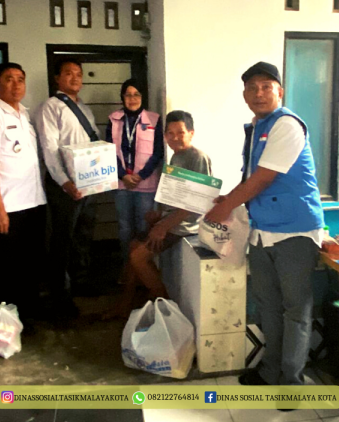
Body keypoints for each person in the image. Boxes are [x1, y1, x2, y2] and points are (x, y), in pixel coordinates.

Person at [206, 62, 324, 389]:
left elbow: (262, 178)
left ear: (280, 92)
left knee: (295, 310)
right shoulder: (257, 128)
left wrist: (226, 205)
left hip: (295, 232)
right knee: (267, 307)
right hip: (262, 231)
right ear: (244, 94)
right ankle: (270, 370)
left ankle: (292, 381)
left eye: (266, 87)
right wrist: (226, 201)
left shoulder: (286, 125)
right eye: (252, 87)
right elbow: (250, 179)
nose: (259, 93)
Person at [105, 110, 211, 319]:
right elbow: (176, 197)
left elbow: (197, 203)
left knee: (138, 256)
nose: (174, 138)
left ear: (191, 133)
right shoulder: (176, 157)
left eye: (180, 133)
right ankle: (125, 305)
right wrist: (158, 215)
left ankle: (166, 309)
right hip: (170, 221)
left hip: (184, 225)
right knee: (134, 247)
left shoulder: (197, 157)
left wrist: (163, 226)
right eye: (169, 134)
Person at [0, 63, 47, 323]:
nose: (16, 85)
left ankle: (27, 318)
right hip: (8, 208)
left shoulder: (25, 115)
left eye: (20, 79)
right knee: (7, 271)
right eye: (9, 79)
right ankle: (4, 324)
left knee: (29, 266)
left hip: (33, 202)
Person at [35, 58, 98, 316]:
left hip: (88, 183)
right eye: (68, 73)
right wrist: (64, 182)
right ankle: (60, 294)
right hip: (64, 184)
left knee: (83, 234)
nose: (75, 78)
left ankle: (81, 282)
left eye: (79, 74)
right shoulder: (50, 107)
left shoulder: (86, 109)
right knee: (62, 238)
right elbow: (50, 149)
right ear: (57, 78)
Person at [105, 79, 164, 266]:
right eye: (128, 94)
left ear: (142, 96)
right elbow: (107, 151)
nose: (132, 98)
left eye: (136, 94)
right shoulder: (113, 119)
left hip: (145, 184)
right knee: (124, 228)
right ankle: (127, 268)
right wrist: (123, 175)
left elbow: (158, 153)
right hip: (122, 183)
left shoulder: (154, 119)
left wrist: (140, 176)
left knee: (143, 227)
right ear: (122, 97)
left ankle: (144, 268)